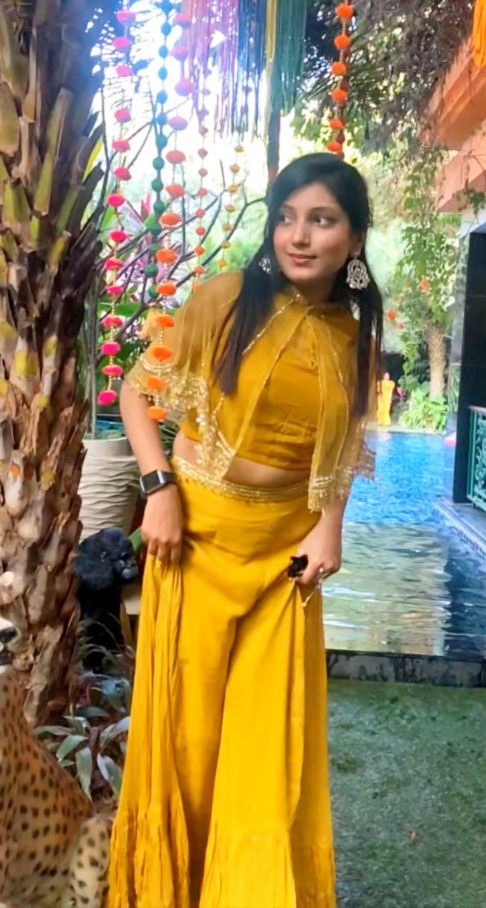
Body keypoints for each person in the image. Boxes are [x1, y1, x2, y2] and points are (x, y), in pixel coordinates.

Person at [108, 153, 383, 908]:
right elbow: (136, 394)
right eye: (287, 218)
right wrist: (158, 487)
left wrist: (330, 528)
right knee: (189, 743)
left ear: (354, 239)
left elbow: (342, 450)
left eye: (321, 220)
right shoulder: (224, 300)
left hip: (284, 562)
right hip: (195, 540)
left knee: (268, 751)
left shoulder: (354, 337)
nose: (299, 236)